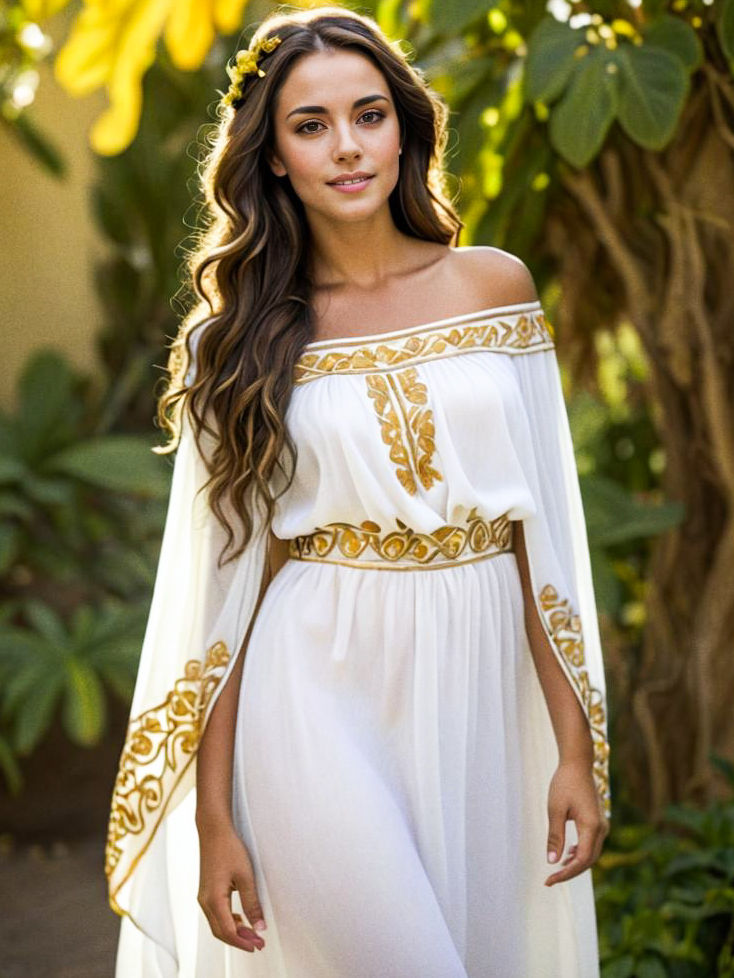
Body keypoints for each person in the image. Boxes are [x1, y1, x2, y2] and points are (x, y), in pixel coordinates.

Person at [105, 5, 611, 976]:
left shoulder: (493, 288)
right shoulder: (238, 339)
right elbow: (224, 591)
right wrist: (214, 819)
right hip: (312, 689)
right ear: (273, 157)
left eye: (368, 115)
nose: (346, 147)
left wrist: (573, 749)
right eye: (310, 125)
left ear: (405, 127)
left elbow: (538, 536)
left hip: (483, 693)